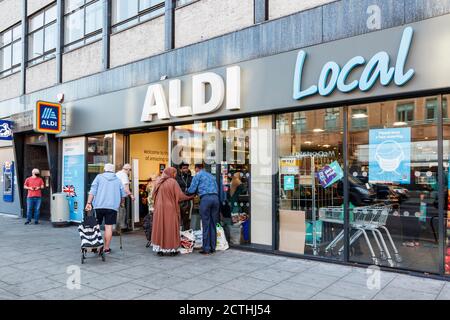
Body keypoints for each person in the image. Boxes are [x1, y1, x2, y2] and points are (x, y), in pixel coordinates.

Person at [151, 167, 193, 256]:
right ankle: (172, 249)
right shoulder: (173, 182)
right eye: (174, 173)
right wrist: (190, 197)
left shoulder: (159, 181)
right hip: (170, 208)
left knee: (160, 227)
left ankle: (160, 249)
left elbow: (153, 195)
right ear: (170, 173)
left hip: (159, 208)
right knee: (171, 228)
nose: (175, 175)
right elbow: (180, 196)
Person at [85, 163, 126, 254]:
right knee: (109, 227)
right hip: (112, 207)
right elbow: (123, 195)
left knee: (96, 226)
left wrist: (89, 203)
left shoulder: (99, 177)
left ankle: (96, 245)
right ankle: (106, 248)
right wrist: (121, 203)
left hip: (99, 206)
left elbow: (92, 191)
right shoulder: (118, 180)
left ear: (104, 169)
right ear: (113, 170)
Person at [187, 163, 220, 255]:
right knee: (213, 224)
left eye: (195, 169)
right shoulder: (211, 176)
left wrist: (186, 190)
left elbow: (192, 190)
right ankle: (213, 247)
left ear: (197, 168)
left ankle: (206, 248)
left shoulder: (198, 175)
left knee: (206, 224)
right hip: (216, 199)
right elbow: (217, 188)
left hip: (206, 199)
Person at [116, 163, 135, 230]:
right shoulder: (124, 175)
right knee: (121, 211)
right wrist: (131, 195)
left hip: (116, 196)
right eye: (130, 170)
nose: (130, 172)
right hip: (120, 197)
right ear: (127, 169)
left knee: (118, 211)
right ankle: (119, 227)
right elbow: (126, 188)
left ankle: (117, 227)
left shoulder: (118, 173)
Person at [176, 163, 193, 231]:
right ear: (180, 169)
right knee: (178, 219)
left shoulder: (191, 177)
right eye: (184, 168)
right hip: (179, 200)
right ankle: (178, 235)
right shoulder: (177, 177)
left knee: (187, 219)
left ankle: (186, 235)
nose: (186, 169)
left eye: (186, 168)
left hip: (188, 200)